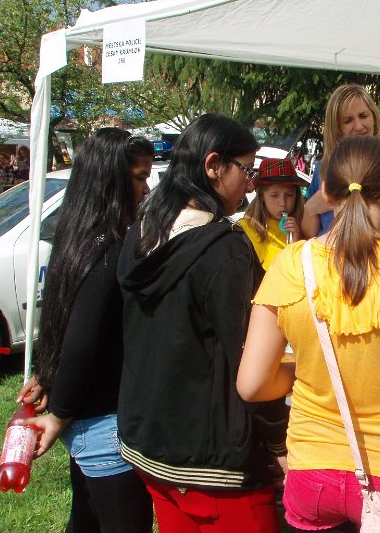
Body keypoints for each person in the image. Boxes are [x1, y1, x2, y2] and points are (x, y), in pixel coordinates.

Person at [237, 135, 380, 532]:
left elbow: (252, 384)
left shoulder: (291, 264)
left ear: (325, 193)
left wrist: (301, 375)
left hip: (313, 470)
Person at [116, 113, 289, 533]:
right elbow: (252, 361)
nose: (251, 184)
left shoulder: (140, 232)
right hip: (215, 462)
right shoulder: (224, 251)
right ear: (213, 165)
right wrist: (280, 442)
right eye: (246, 170)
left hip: (147, 442)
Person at [14, 128, 154, 533]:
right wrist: (57, 416)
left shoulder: (78, 241)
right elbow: (83, 339)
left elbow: (61, 321)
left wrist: (45, 374)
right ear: (111, 180)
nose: (146, 189)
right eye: (139, 177)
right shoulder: (108, 248)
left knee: (86, 521)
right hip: (104, 426)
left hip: (89, 425)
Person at [301, 84, 380, 241]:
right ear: (336, 128)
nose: (358, 126)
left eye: (363, 116)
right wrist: (310, 208)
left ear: (374, 117)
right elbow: (310, 235)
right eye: (348, 120)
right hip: (327, 262)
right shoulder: (323, 169)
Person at [239, 157, 307, 270]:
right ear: (262, 196)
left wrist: (296, 243)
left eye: (289, 195)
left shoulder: (303, 228)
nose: (283, 203)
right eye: (274, 195)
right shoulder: (245, 228)